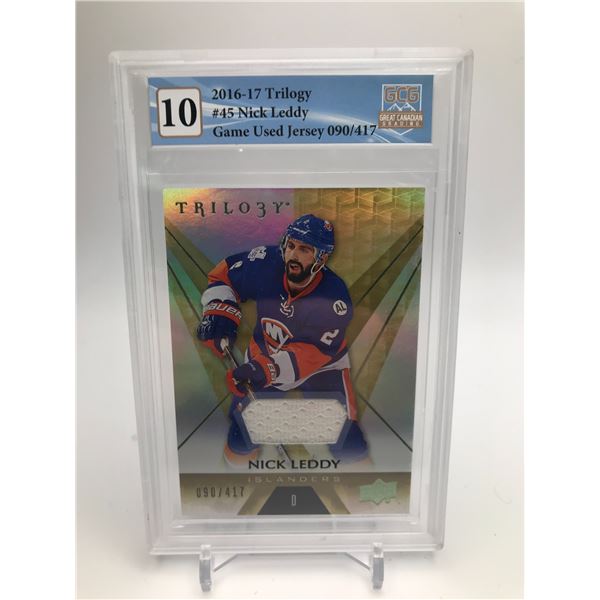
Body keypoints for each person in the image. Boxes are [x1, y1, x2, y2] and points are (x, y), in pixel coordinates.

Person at [197, 214, 368, 465]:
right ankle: (236, 479)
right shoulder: (266, 263)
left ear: (321, 258)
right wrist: (219, 311)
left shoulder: (334, 298)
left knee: (347, 440)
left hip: (322, 367)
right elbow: (223, 276)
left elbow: (313, 352)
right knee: (241, 438)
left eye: (304, 249)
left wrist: (265, 369)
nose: (293, 255)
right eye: (290, 245)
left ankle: (363, 485)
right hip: (264, 353)